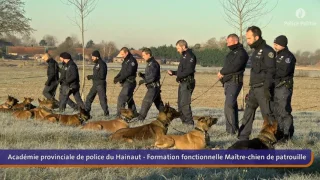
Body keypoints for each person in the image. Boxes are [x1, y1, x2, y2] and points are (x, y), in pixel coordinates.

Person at [238, 26, 276, 140]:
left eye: (249, 38)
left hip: (263, 88)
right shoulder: (255, 52)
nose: (247, 41)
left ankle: (273, 137)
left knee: (267, 115)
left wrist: (267, 88)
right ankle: (243, 137)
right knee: (248, 112)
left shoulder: (268, 51)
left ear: (257, 37)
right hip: (254, 88)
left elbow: (271, 71)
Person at [217, 34, 249, 135]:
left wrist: (222, 72)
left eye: (229, 42)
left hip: (234, 82)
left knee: (229, 105)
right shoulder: (232, 53)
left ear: (235, 41)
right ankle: (234, 129)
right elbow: (228, 66)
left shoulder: (241, 53)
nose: (227, 44)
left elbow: (234, 67)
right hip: (228, 82)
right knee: (232, 105)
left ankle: (230, 131)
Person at [167, 40, 196, 126]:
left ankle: (190, 124)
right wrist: (174, 73)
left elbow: (189, 70)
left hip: (187, 83)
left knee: (185, 104)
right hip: (182, 82)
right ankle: (184, 123)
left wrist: (178, 75)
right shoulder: (184, 56)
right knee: (180, 105)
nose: (177, 50)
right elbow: (182, 71)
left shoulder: (190, 56)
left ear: (183, 46)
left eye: (178, 48)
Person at [273, 35, 296, 142]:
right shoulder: (276, 55)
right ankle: (280, 133)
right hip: (276, 86)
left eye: (276, 44)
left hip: (284, 86)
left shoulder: (288, 57)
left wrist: (271, 72)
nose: (274, 46)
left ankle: (287, 135)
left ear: (282, 44)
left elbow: (284, 72)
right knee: (277, 112)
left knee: (284, 111)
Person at [136, 48, 165, 121]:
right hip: (154, 87)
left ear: (148, 54)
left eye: (144, 55)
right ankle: (166, 116)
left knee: (146, 102)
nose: (143, 57)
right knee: (159, 105)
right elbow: (150, 75)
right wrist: (143, 75)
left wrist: (144, 80)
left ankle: (140, 119)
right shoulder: (150, 63)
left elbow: (153, 77)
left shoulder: (153, 64)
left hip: (153, 87)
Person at [113, 47, 139, 117]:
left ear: (126, 53)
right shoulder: (125, 60)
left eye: (122, 54)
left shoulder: (132, 61)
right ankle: (135, 114)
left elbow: (128, 72)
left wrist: (119, 79)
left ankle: (119, 116)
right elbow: (122, 71)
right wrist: (117, 77)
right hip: (126, 82)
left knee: (121, 98)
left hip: (130, 82)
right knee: (129, 99)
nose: (121, 55)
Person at [85, 50, 110, 117]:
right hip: (95, 84)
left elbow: (102, 76)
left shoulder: (102, 64)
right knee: (88, 98)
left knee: (102, 100)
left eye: (93, 56)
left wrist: (91, 76)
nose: (92, 58)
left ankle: (106, 114)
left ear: (97, 57)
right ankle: (86, 113)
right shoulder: (97, 64)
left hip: (100, 85)